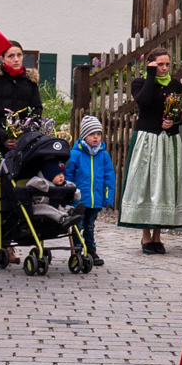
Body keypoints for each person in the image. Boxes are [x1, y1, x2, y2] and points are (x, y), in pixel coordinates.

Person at [0, 44, 45, 264]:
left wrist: (25, 134)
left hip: (22, 148)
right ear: (2, 59)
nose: (16, 59)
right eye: (11, 55)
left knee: (18, 193)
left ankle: (11, 242)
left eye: (19, 55)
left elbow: (36, 111)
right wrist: (2, 137)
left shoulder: (29, 82)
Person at [123, 45, 182, 253]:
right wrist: (151, 74)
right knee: (146, 184)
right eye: (160, 64)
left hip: (167, 140)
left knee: (164, 185)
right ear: (151, 64)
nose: (164, 68)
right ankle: (145, 237)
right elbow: (143, 101)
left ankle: (158, 237)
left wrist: (174, 121)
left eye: (167, 64)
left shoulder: (175, 84)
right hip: (147, 139)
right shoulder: (140, 83)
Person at [66, 115, 116, 268]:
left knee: (89, 227)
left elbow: (109, 178)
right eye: (92, 134)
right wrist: (69, 194)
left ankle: (91, 250)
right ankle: (77, 251)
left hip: (95, 199)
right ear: (84, 136)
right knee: (78, 226)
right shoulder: (75, 155)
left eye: (98, 134)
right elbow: (68, 176)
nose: (96, 137)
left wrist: (108, 198)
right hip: (79, 200)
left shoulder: (103, 155)